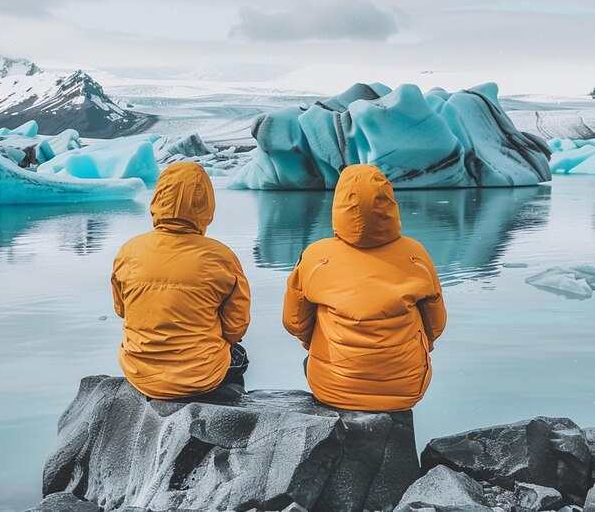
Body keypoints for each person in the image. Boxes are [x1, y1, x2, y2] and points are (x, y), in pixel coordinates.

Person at [283, 164, 446, 412]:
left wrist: (316, 345)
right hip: (404, 389)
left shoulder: (316, 256)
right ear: (389, 202)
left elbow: (294, 321)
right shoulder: (415, 254)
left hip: (333, 387)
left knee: (310, 362)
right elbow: (436, 324)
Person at [112, 162, 250, 399]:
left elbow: (122, 309)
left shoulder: (129, 251)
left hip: (140, 372)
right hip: (202, 376)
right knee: (239, 355)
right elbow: (236, 327)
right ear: (206, 204)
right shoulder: (221, 257)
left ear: (158, 198)